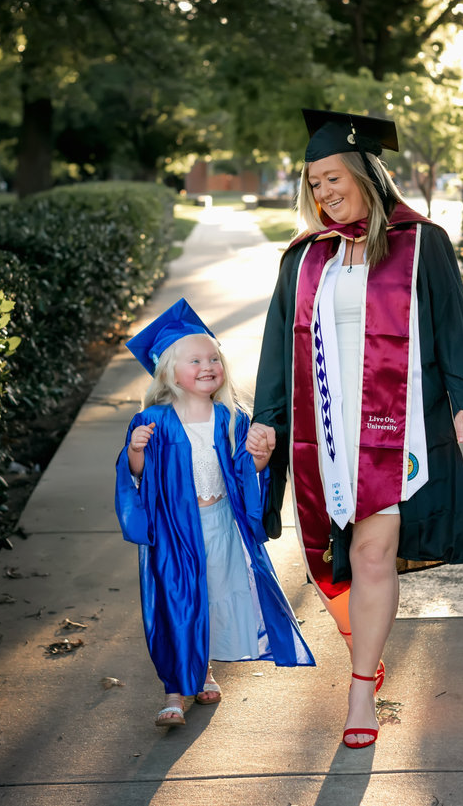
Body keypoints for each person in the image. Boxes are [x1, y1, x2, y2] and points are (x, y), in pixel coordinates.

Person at [248, 109, 463, 749]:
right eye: (313, 184)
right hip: (322, 433)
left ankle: (360, 689)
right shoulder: (306, 257)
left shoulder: (423, 243)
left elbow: (455, 330)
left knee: (370, 556)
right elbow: (278, 350)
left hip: (396, 433)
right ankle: (361, 646)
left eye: (333, 177)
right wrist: (267, 419)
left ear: (367, 173)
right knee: (325, 568)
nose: (324, 193)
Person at [115, 298, 314, 728]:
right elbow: (135, 477)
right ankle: (173, 692)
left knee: (212, 599)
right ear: (169, 371)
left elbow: (245, 472)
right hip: (174, 533)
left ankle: (203, 672)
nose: (208, 366)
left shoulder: (230, 418)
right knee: (177, 604)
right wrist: (136, 453)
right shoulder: (154, 421)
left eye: (214, 358)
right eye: (195, 360)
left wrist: (260, 460)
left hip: (220, 525)